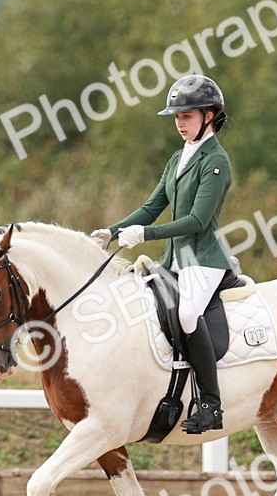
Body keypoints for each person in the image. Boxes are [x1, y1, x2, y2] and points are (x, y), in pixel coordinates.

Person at [92, 75, 232, 433]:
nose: (179, 123)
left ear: (209, 116)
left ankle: (211, 405)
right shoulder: (177, 159)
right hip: (173, 260)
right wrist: (113, 231)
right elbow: (152, 206)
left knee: (187, 314)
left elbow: (198, 220)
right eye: (176, 117)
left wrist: (146, 235)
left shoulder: (216, 161)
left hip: (203, 261)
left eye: (186, 116)